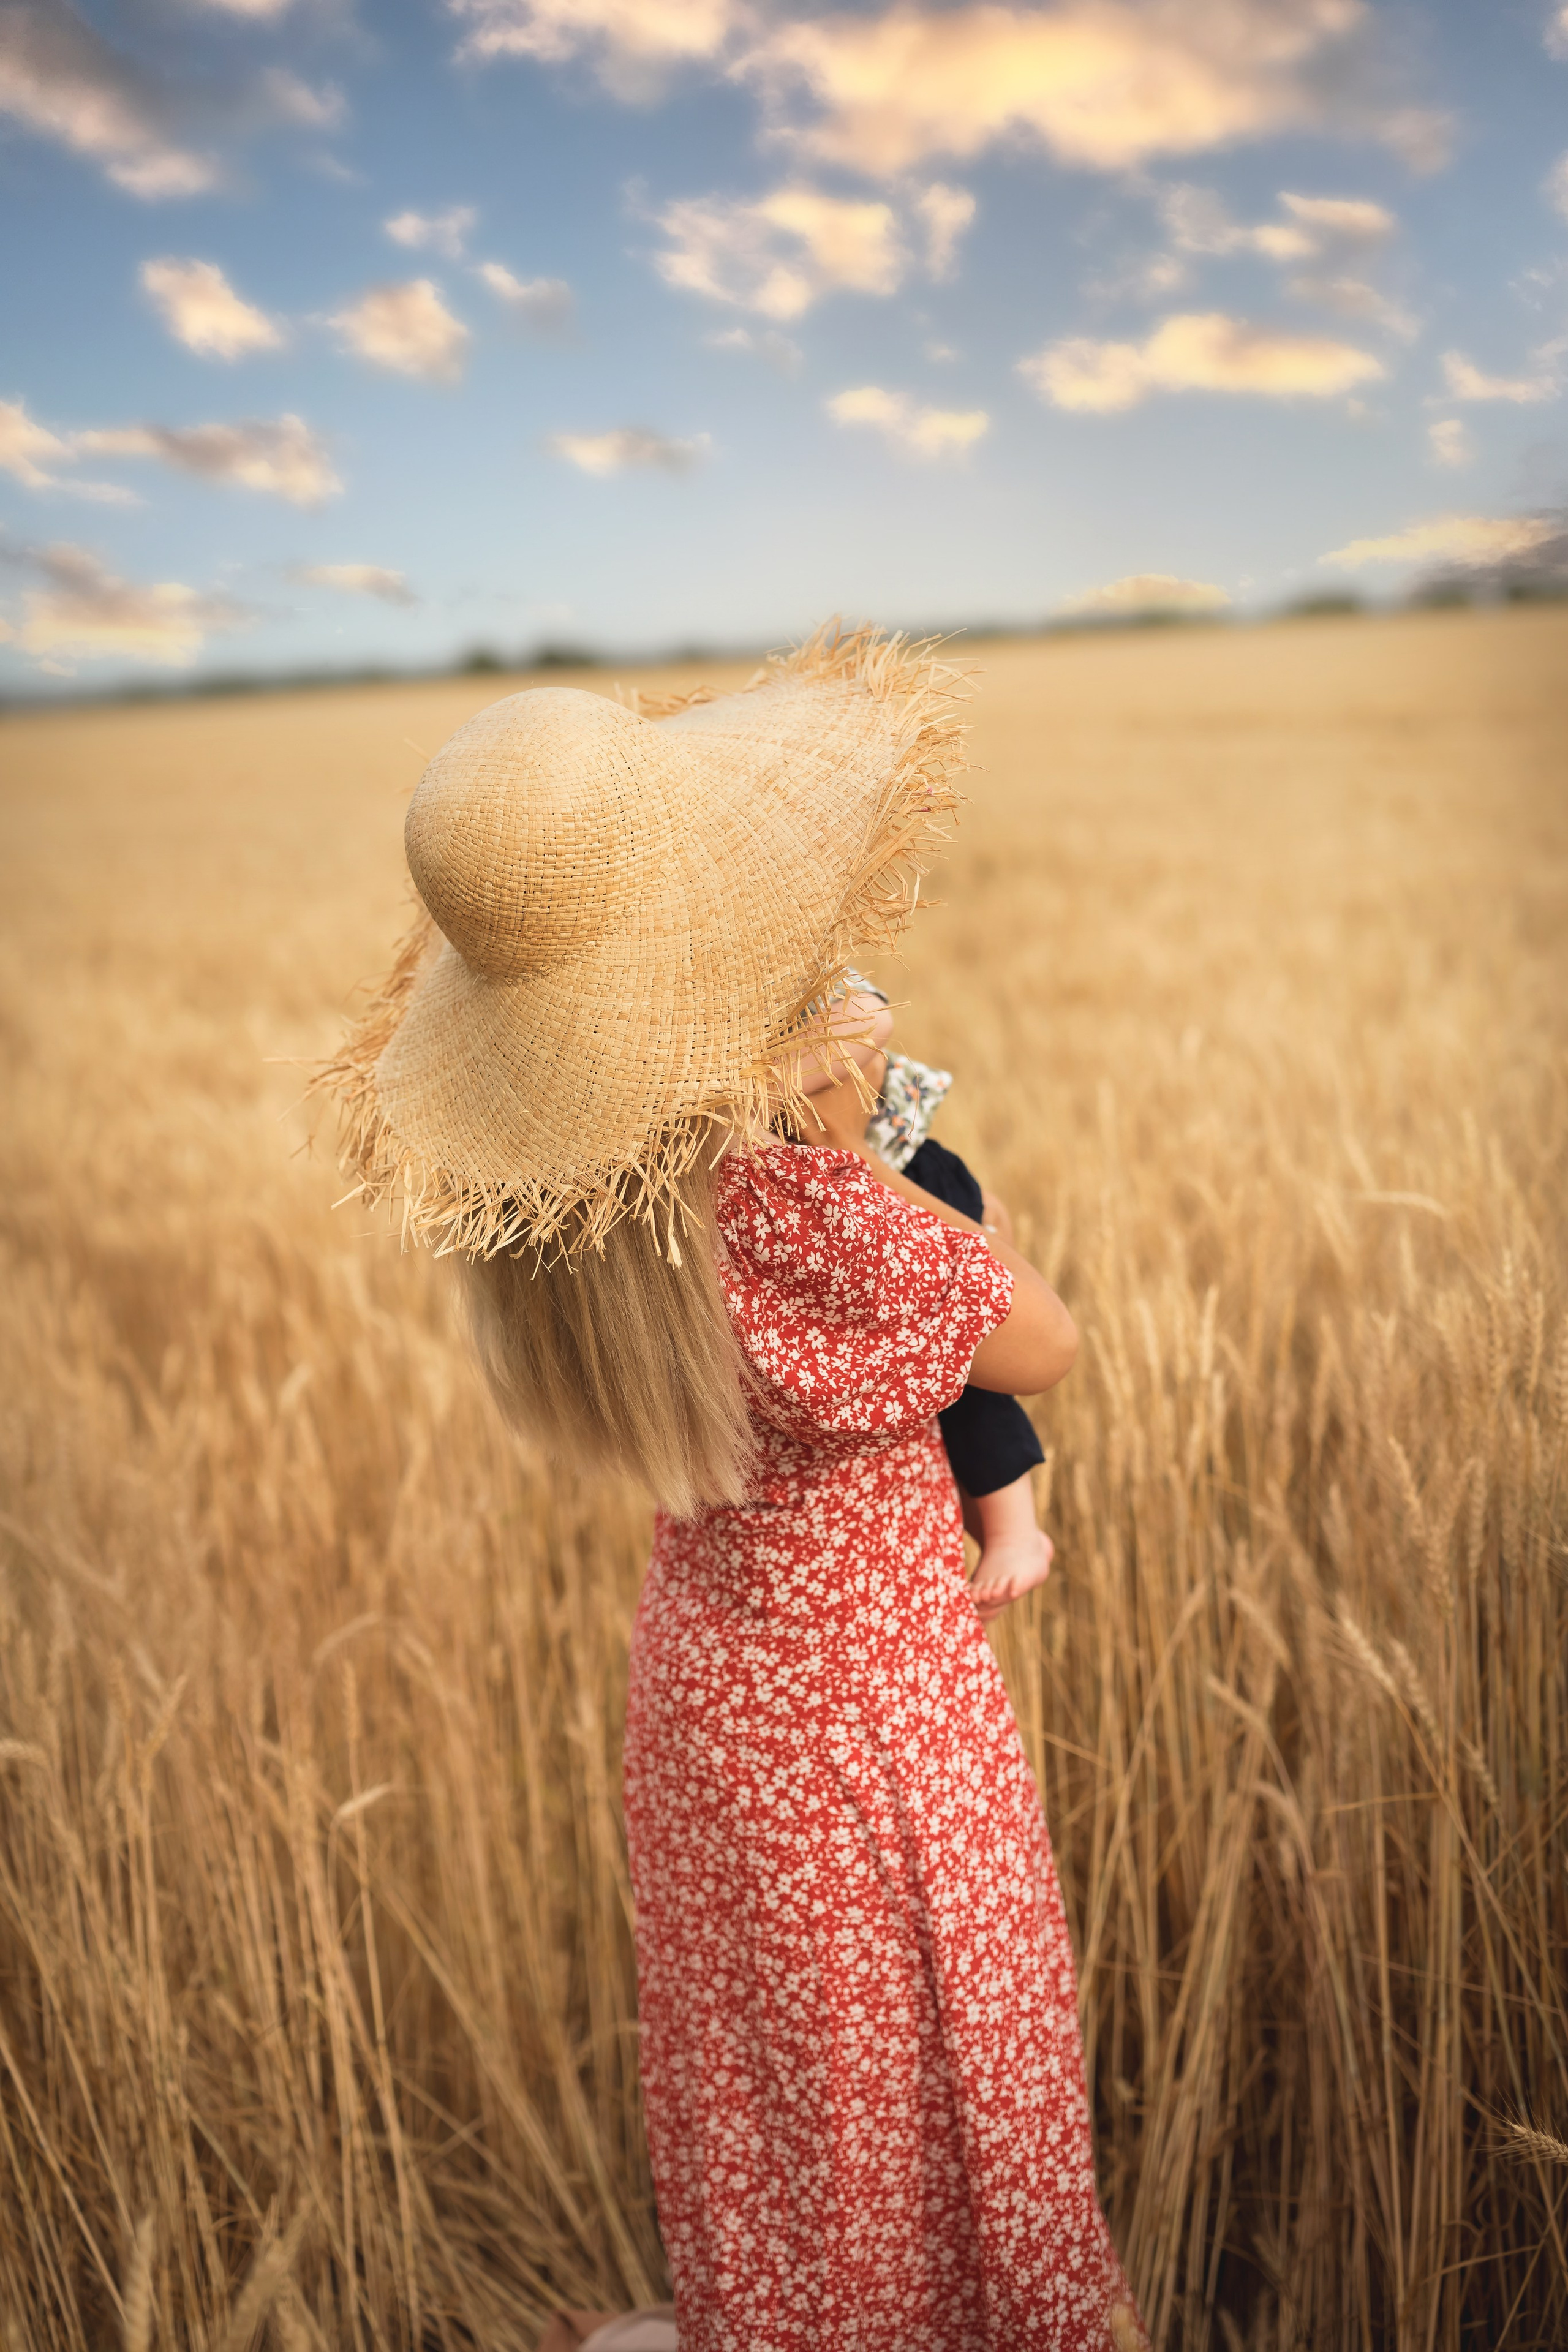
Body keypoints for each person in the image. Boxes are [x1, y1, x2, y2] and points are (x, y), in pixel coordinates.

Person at [318, 622, 1147, 2352]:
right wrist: (863, 1144)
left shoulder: (566, 1205)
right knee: (944, 2093)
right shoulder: (815, 1209)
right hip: (874, 1725)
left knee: (781, 2116)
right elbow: (1043, 1343)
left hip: (711, 1706)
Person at [791, 976, 1057, 1625]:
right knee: (919, 1390)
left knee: (968, 1371)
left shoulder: (807, 973)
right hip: (826, 1204)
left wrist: (741, 1092)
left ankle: (1015, 1526)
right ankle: (983, 1517)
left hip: (897, 1179)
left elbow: (868, 1017)